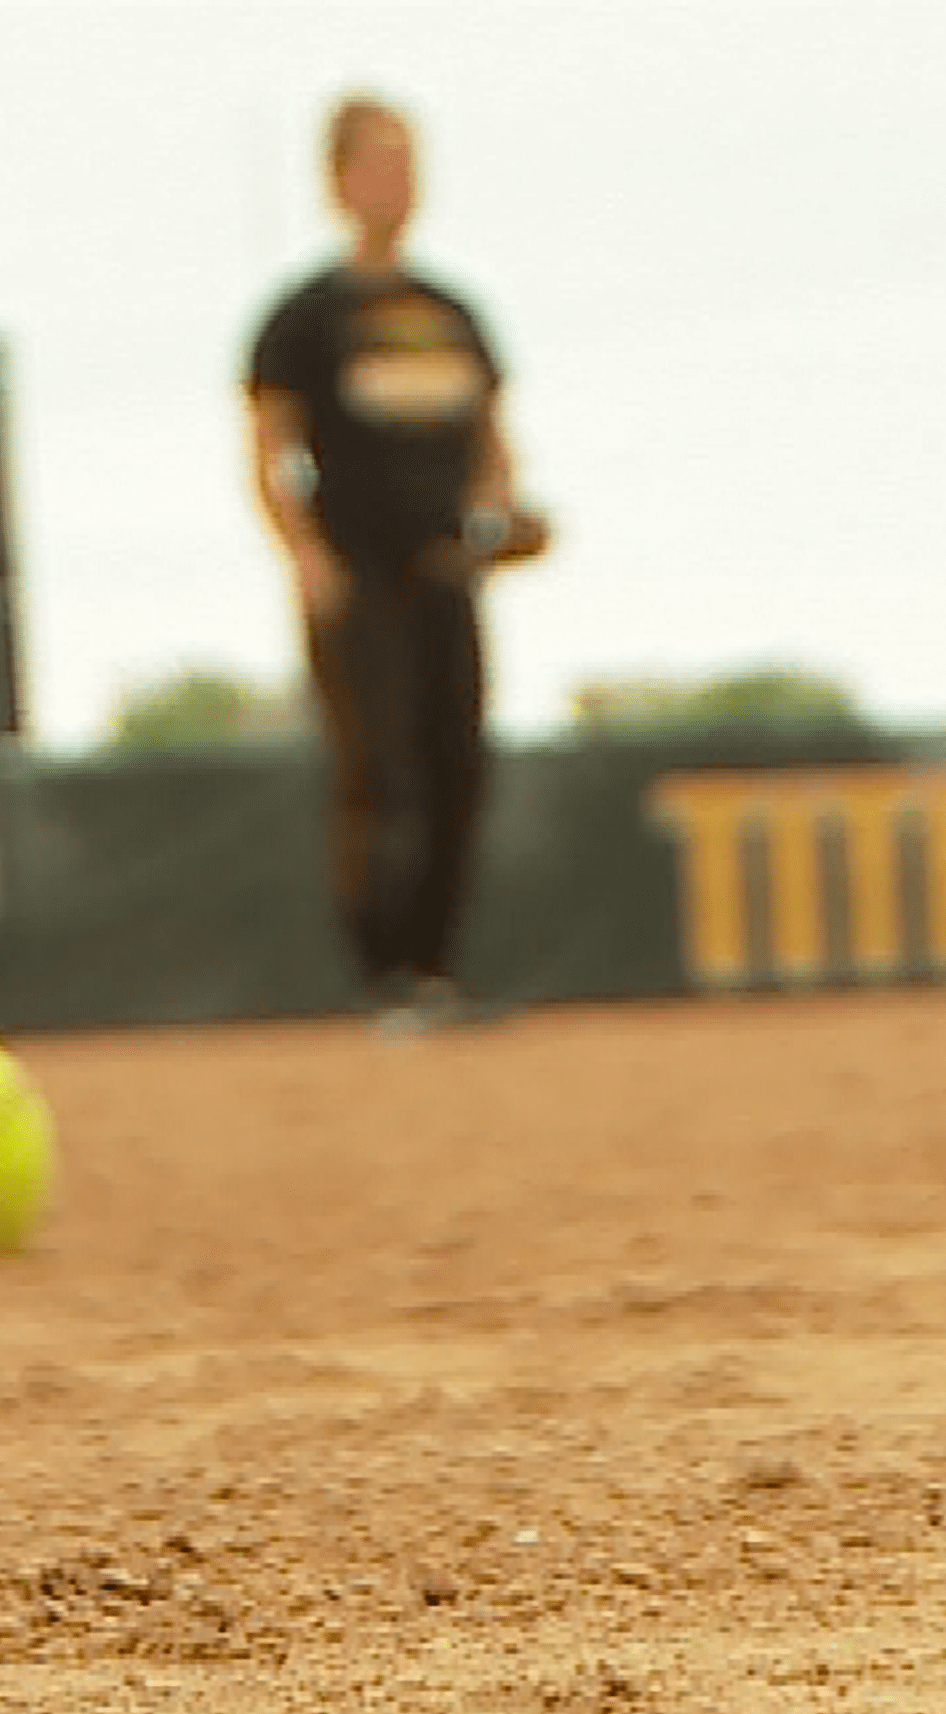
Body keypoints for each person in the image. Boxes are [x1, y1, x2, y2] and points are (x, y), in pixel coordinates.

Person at [244, 95, 534, 1031]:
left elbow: (495, 439)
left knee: (458, 764)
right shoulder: (304, 318)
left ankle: (437, 972)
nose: (398, 181)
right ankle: (385, 981)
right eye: (380, 161)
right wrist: (307, 558)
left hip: (446, 569)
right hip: (360, 573)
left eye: (409, 160)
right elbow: (269, 447)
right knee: (381, 772)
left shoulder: (452, 312)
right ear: (337, 181)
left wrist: (500, 513)